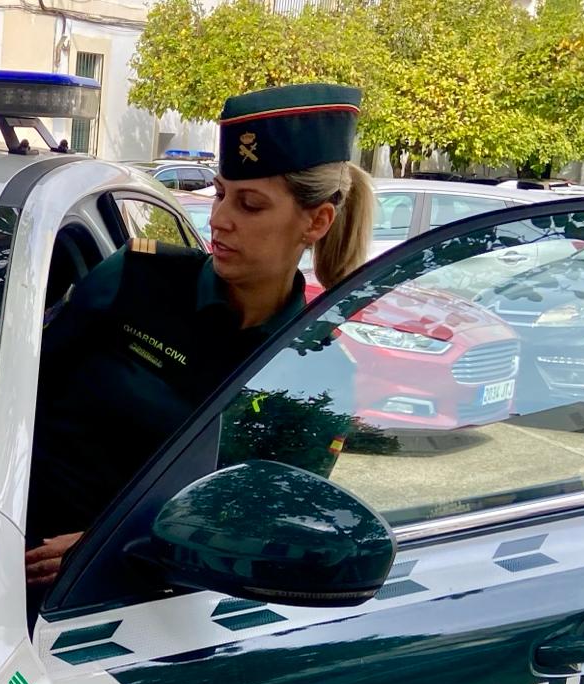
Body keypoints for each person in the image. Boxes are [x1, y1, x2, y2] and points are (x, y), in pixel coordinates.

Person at [24, 82, 376, 592]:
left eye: (250, 205)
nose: (219, 218)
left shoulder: (316, 369)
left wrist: (117, 543)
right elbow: (11, 399)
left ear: (316, 221)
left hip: (148, 602)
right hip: (1, 553)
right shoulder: (135, 280)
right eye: (220, 194)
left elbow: (270, 527)